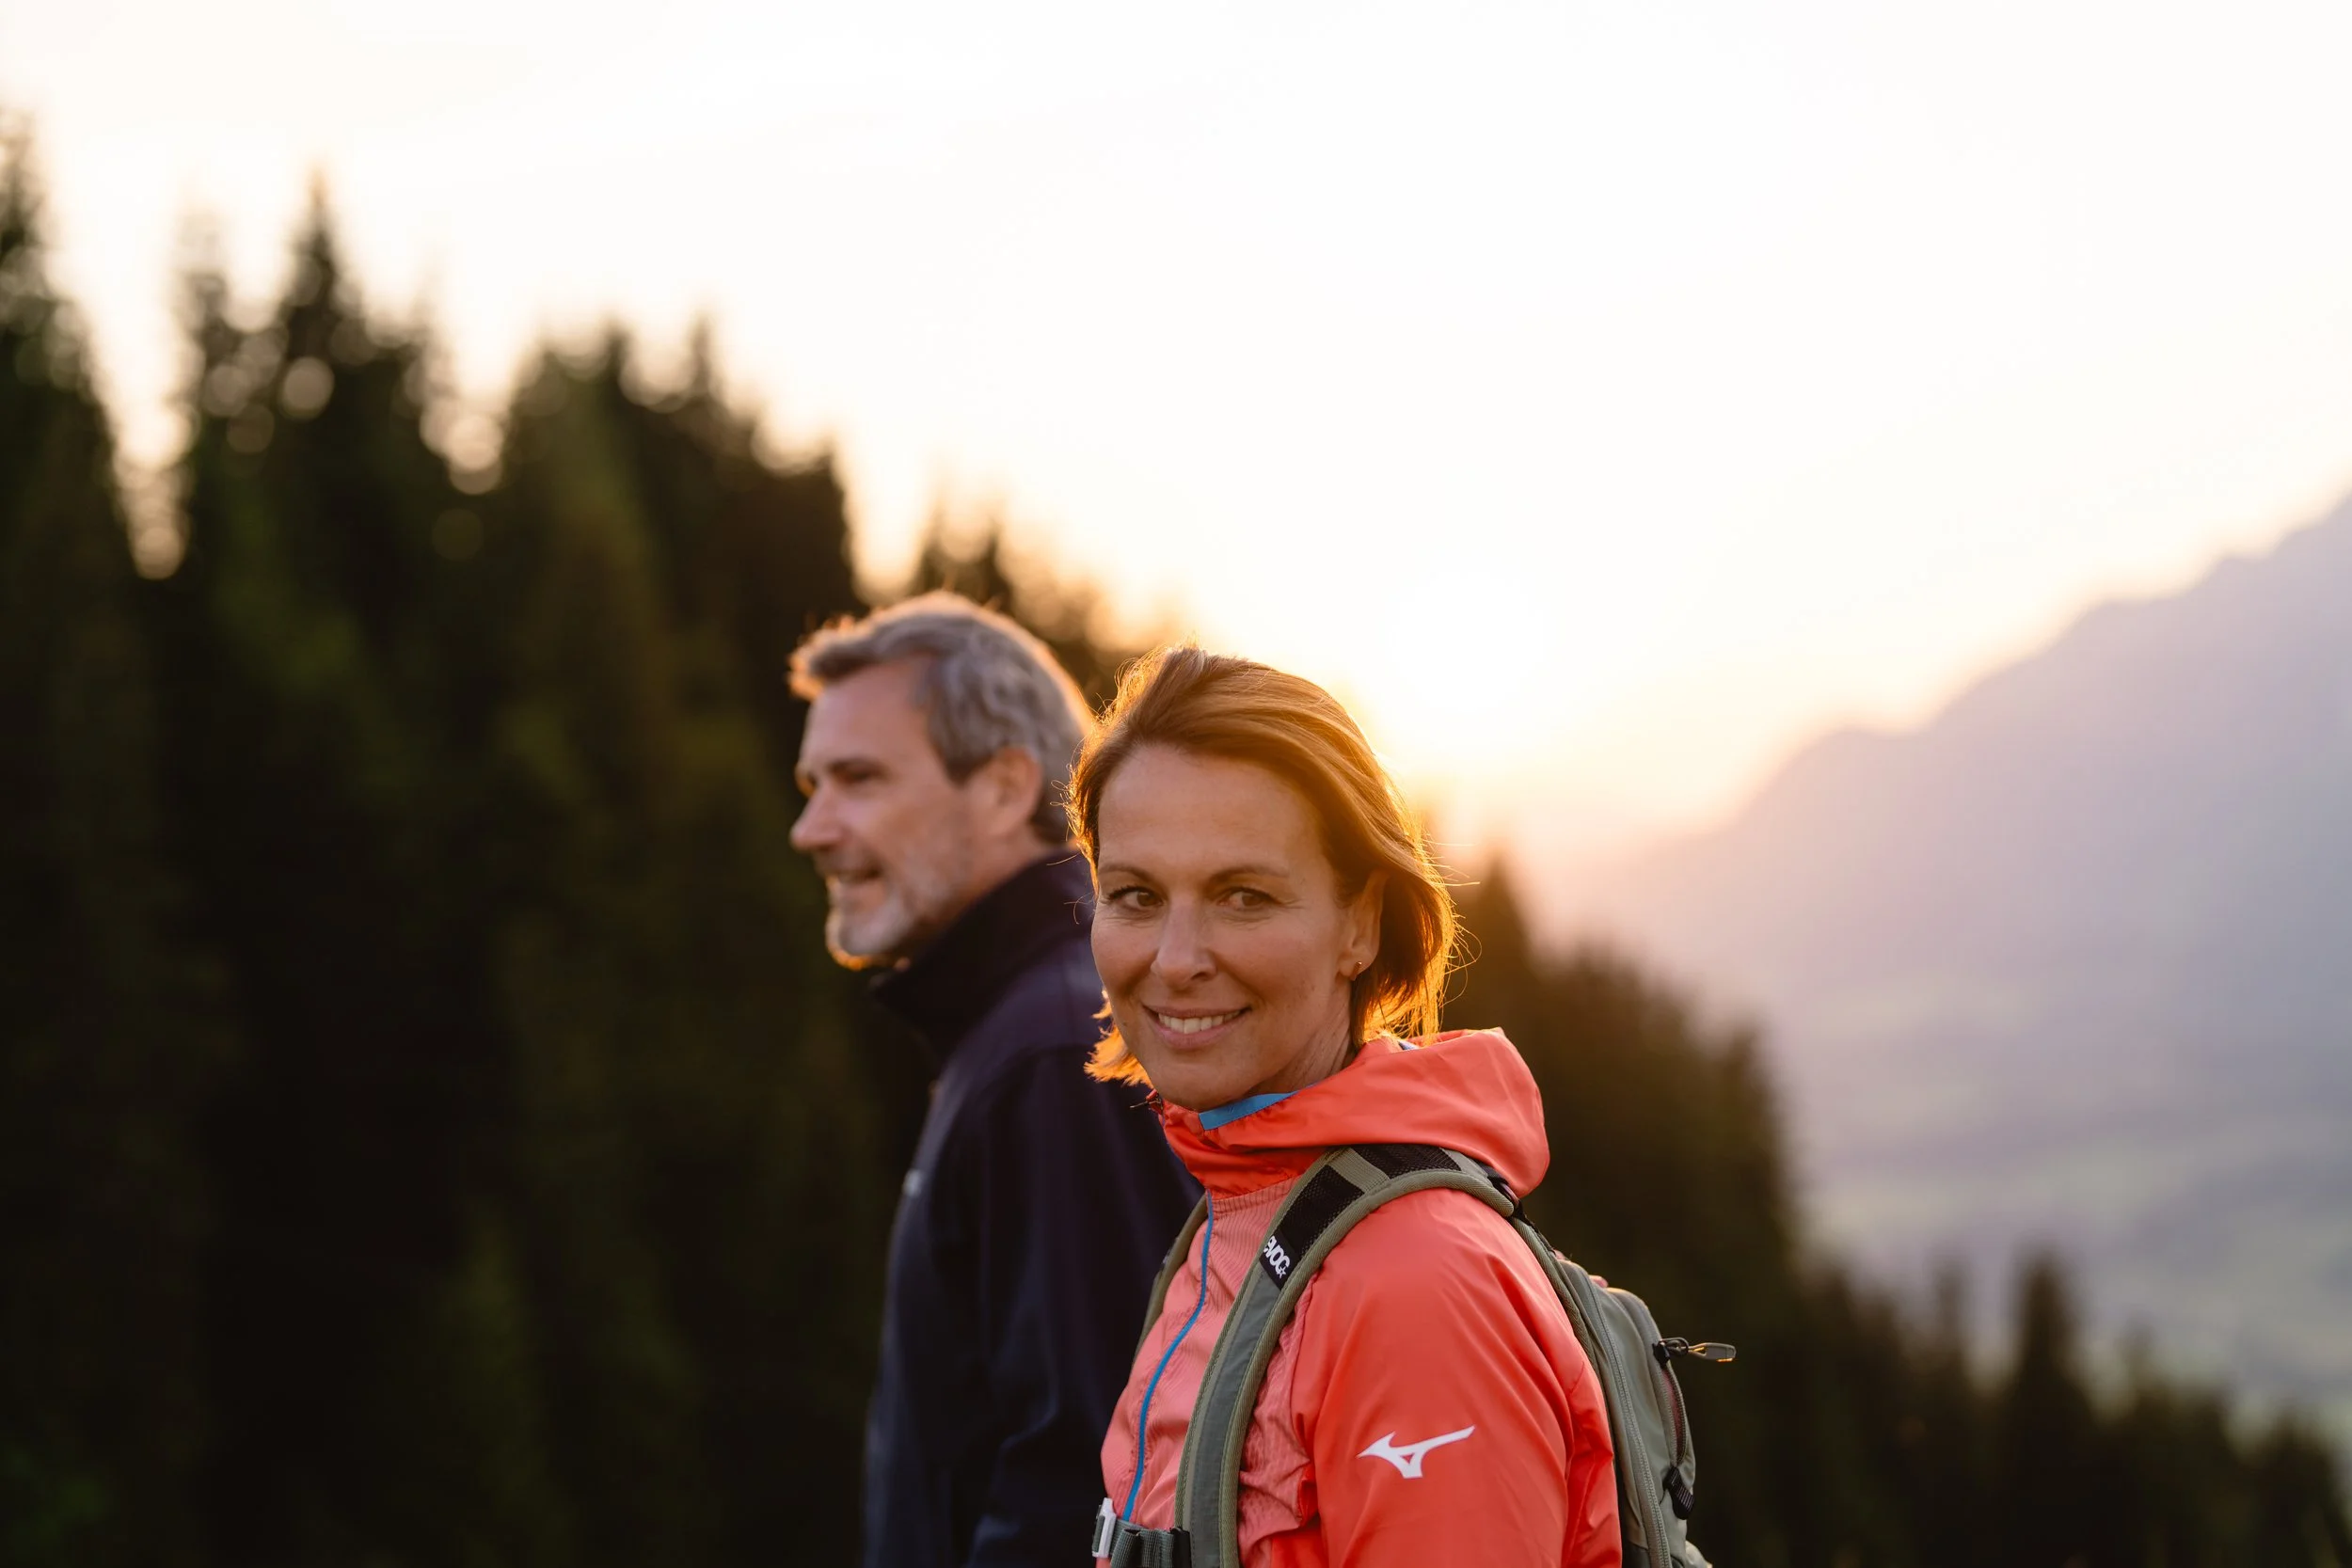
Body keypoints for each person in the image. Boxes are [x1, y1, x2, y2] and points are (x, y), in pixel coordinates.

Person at [1070, 646, 1621, 1568]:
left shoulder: (1416, 1285)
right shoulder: (1244, 1212)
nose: (1175, 957)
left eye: (1243, 896)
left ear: (1359, 924)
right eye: (1135, 895)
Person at [788, 594, 1198, 1568]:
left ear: (1006, 787)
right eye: (812, 784)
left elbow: (1092, 1481)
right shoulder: (1021, 1030)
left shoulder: (1054, 1053)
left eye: (858, 778)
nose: (811, 827)